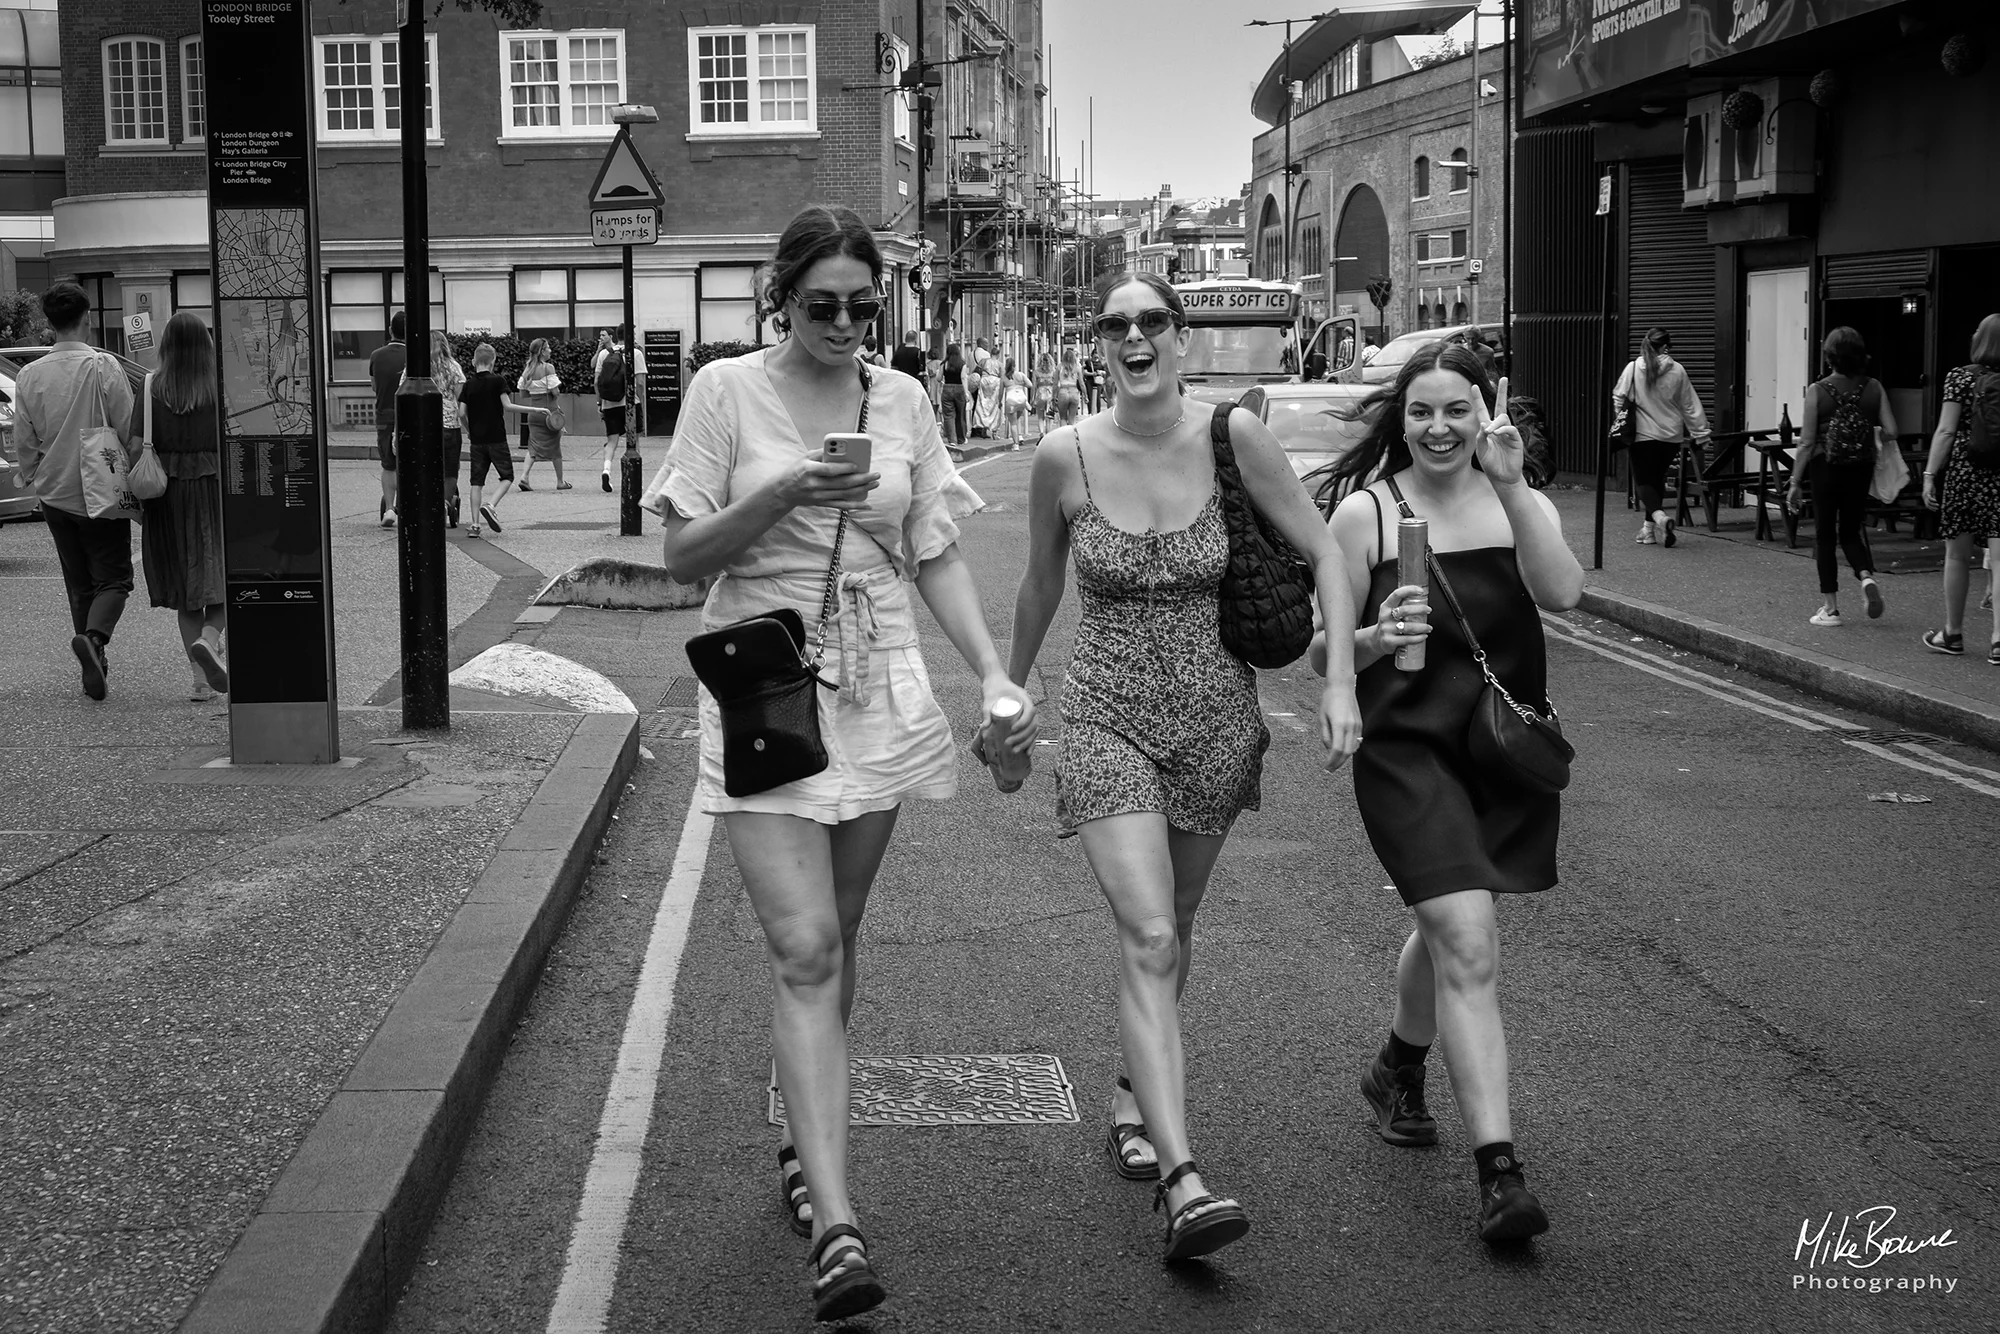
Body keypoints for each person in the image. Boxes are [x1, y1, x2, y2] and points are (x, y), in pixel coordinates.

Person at [659, 203, 1035, 1323]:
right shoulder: (724, 392)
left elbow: (934, 548)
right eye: (819, 303)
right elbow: (682, 553)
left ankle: (798, 1129)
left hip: (876, 686)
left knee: (838, 935)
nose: (841, 322)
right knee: (807, 946)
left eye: (861, 306)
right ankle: (837, 1224)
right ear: (782, 297)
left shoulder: (904, 398)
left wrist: (994, 672)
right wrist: (782, 491)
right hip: (767, 681)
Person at [1010, 272, 1364, 1263]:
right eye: (1115, 324)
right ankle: (1182, 1177)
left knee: (1177, 926)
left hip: (1215, 722)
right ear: (1100, 343)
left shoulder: (1232, 438)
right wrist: (1009, 688)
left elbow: (1324, 554)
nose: (1134, 336)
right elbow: (1040, 581)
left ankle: (1132, 1091)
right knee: (1151, 928)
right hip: (1104, 715)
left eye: (1151, 321)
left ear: (1176, 335)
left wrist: (1338, 681)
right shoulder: (1062, 454)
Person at [1314, 343, 1583, 1246]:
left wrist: (1513, 488)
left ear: (1486, 412)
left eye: (1457, 411)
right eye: (1422, 411)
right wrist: (1375, 639)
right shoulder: (1368, 516)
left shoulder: (1517, 503)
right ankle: (1500, 1173)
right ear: (1402, 418)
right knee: (1467, 936)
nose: (1439, 428)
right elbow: (1323, 655)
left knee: (1446, 924)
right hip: (1407, 756)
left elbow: (1565, 594)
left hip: (1500, 753)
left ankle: (1398, 1065)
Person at [11, 282, 137, 700]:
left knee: (78, 579)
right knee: (115, 576)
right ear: (87, 319)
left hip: (54, 491)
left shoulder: (29, 375)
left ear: (50, 323)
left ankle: (93, 660)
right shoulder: (103, 367)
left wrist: (32, 475)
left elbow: (24, 438)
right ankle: (95, 640)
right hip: (99, 488)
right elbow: (128, 426)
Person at [140, 312, 230, 700]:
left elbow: (133, 444)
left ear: (166, 345)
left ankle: (199, 682)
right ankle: (210, 638)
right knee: (225, 574)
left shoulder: (151, 387)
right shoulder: (220, 388)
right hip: (214, 487)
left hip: (167, 493)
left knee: (183, 586)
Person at [1784, 327, 1897, 627]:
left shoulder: (1818, 390)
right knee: (1850, 530)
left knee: (1824, 535)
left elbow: (1807, 442)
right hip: (1860, 467)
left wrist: (1794, 483)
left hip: (1825, 467)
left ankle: (1831, 608)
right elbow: (1892, 431)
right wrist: (1867, 434)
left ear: (1829, 356)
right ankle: (1866, 577)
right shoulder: (1874, 387)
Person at [1920, 313, 2000, 660]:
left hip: (1965, 472)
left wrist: (1929, 474)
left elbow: (1947, 431)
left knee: (1956, 555)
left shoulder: (1959, 378)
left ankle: (1952, 634)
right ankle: (1999, 641)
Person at [1612, 327, 1710, 548]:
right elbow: (1689, 405)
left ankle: (1659, 518)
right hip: (1670, 437)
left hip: (1642, 436)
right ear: (1665, 347)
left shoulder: (1634, 368)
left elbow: (1619, 397)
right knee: (1656, 481)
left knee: (1643, 483)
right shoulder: (1678, 371)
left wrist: (1623, 420)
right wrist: (1701, 433)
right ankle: (1648, 532)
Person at [456, 342, 535, 539]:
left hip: (477, 441)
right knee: (507, 476)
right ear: (493, 361)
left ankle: (475, 525)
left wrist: (469, 430)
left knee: (476, 482)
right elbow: (507, 406)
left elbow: (461, 413)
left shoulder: (469, 384)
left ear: (474, 361)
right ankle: (490, 505)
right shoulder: (498, 381)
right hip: (497, 438)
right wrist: (534, 410)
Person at [399, 330, 465, 528]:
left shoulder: (413, 367)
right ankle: (445, 504)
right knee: (450, 468)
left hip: (421, 424)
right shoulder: (454, 367)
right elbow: (460, 398)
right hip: (449, 424)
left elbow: (402, 394)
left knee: (422, 465)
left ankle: (421, 502)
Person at [369, 311, 408, 527]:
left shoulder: (376, 355)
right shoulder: (416, 356)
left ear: (391, 330)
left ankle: (390, 509)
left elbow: (375, 387)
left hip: (384, 413)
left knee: (388, 464)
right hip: (409, 415)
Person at [515, 338, 566, 491]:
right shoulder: (548, 368)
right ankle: (560, 481)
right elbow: (555, 392)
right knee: (555, 447)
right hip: (549, 413)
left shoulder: (528, 370)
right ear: (542, 351)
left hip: (533, 413)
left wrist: (536, 393)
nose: (550, 350)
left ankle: (524, 476)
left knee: (533, 446)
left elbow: (523, 394)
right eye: (548, 348)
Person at [593, 329, 630, 493]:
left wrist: (599, 403)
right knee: (633, 442)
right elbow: (640, 382)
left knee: (611, 442)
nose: (601, 337)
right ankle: (631, 479)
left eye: (603, 335)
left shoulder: (604, 355)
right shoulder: (632, 353)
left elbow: (596, 381)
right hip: (628, 403)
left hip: (609, 404)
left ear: (613, 336)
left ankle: (606, 470)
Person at [972, 343, 1003, 439]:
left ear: (990, 353)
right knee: (993, 407)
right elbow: (1002, 376)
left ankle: (982, 428)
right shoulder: (1000, 364)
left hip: (984, 381)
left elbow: (976, 371)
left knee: (982, 405)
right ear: (998, 355)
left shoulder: (983, 361)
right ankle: (994, 431)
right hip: (995, 383)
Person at [939, 343, 968, 446]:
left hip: (947, 388)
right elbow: (963, 378)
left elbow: (939, 378)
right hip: (960, 389)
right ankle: (961, 438)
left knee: (948, 415)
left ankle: (952, 440)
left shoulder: (944, 364)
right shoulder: (962, 364)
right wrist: (966, 392)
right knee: (960, 414)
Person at [1056, 346, 1084, 425]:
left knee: (1063, 418)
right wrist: (1085, 395)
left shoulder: (1059, 367)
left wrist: (1054, 396)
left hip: (1063, 392)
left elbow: (1055, 384)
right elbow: (1081, 383)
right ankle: (1071, 435)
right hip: (1074, 392)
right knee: (1072, 418)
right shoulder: (1077, 368)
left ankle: (1063, 435)